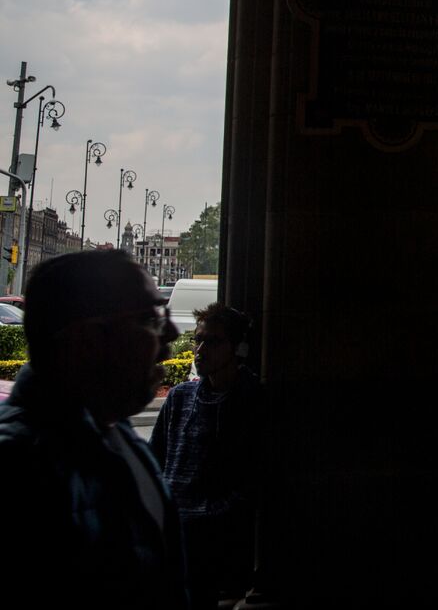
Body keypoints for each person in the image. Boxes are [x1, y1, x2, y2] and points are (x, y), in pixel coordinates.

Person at [0, 250, 188, 608]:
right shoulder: (19, 472)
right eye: (149, 319)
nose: (172, 334)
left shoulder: (115, 434)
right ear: (87, 339)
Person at [151, 304, 265, 610]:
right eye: (198, 340)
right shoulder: (180, 397)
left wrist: (206, 518)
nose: (199, 350)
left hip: (216, 542)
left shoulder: (252, 401)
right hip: (173, 532)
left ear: (238, 349)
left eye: (212, 342)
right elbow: (155, 460)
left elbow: (254, 479)